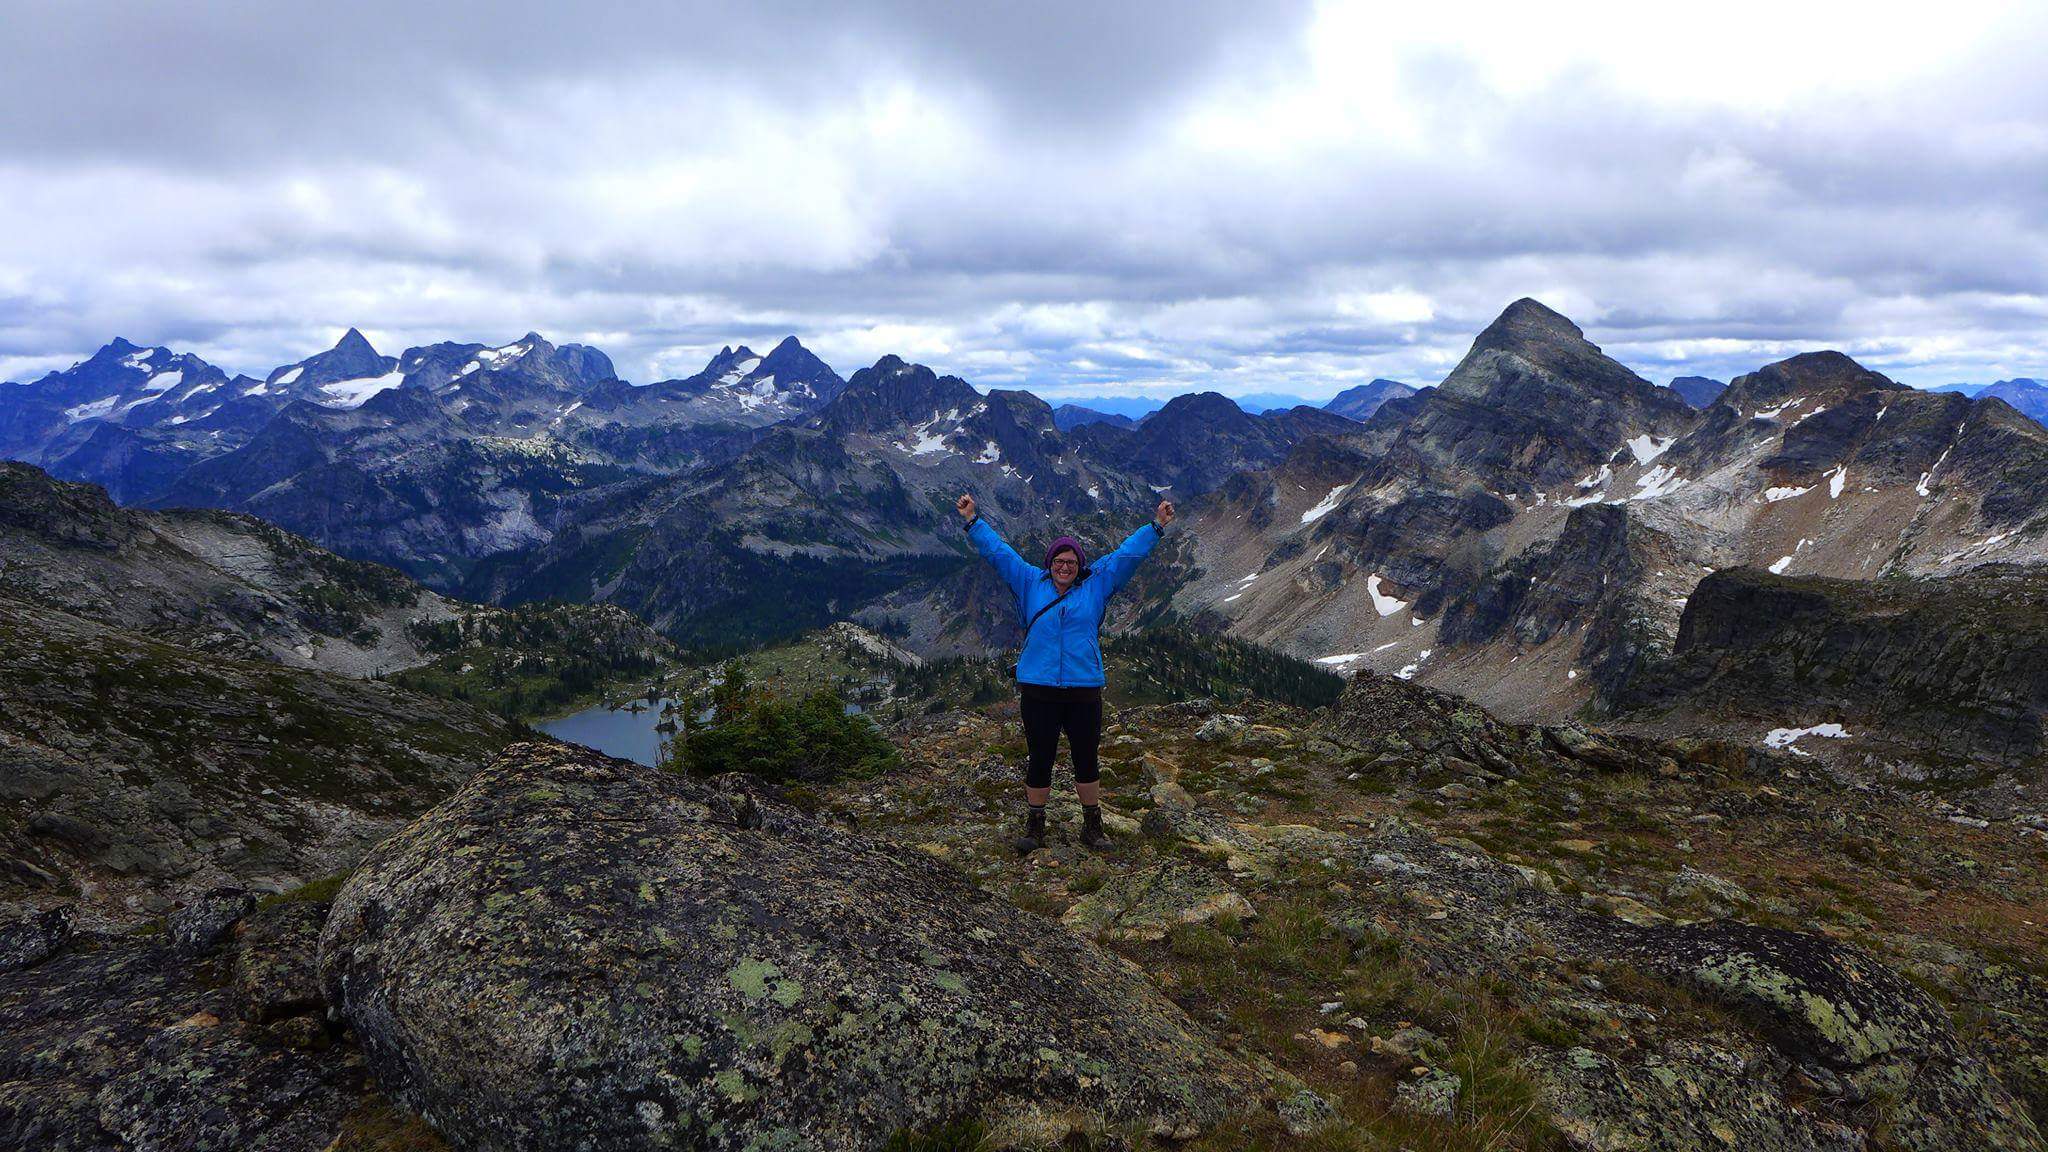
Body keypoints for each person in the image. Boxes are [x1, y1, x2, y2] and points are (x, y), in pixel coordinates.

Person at [956, 491, 1174, 854]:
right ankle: (1035, 824)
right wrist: (972, 521)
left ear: (1080, 565)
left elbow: (1127, 556)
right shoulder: (1029, 581)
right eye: (1059, 560)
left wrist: (1156, 526)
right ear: (1049, 563)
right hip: (1039, 689)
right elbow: (999, 554)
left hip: (1083, 690)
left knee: (1085, 757)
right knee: (1040, 756)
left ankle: (1092, 825)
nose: (1065, 566)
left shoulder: (1098, 583)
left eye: (1072, 561)